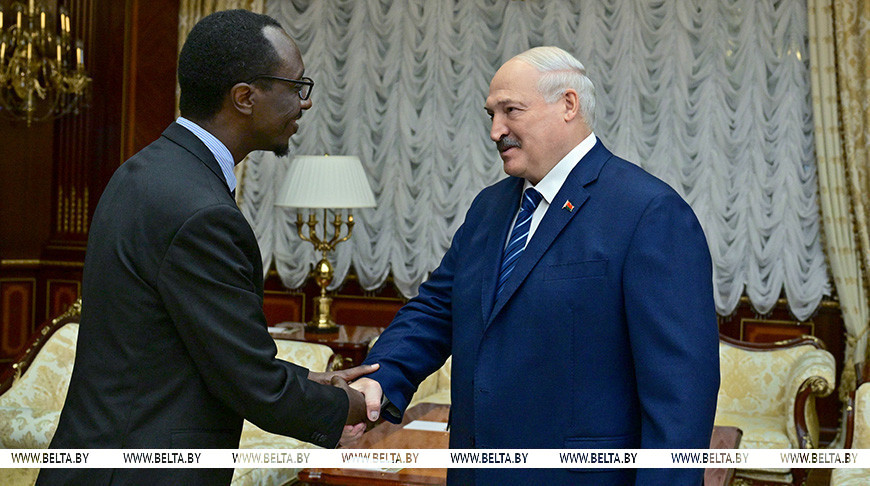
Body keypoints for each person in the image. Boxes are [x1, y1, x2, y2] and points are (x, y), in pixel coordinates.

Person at [352, 46, 720, 485]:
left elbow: (681, 394)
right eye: (491, 114)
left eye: (511, 110)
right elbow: (437, 309)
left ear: (568, 104)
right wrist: (381, 378)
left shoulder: (648, 212)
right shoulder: (489, 208)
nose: (496, 130)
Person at [39, 10, 374, 485]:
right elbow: (252, 384)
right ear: (244, 97)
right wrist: (356, 405)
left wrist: (307, 382)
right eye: (296, 86)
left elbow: (192, 350)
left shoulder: (143, 170)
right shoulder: (202, 212)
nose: (306, 102)